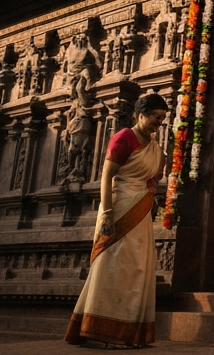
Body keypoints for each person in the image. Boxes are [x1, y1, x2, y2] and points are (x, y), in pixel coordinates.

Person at [65, 91, 168, 347]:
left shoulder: (155, 148)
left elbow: (153, 177)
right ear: (140, 114)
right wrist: (108, 213)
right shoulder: (124, 138)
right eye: (156, 117)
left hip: (141, 211)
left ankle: (128, 332)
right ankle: (98, 330)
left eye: (163, 118)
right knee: (112, 267)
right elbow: (107, 175)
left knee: (138, 269)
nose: (159, 123)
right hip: (119, 208)